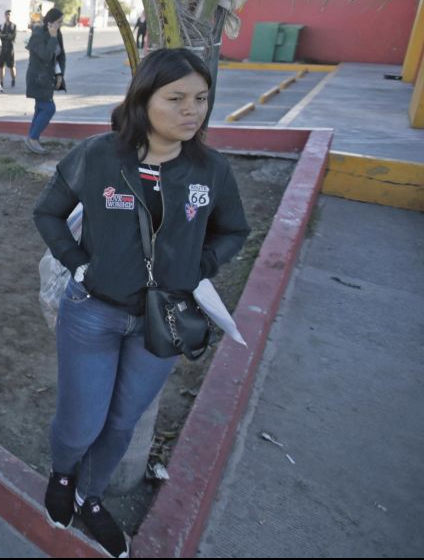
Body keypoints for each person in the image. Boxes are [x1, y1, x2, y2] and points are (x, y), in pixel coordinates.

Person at [32, 48, 250, 557]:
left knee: (122, 422)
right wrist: (77, 264)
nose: (192, 110)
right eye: (176, 98)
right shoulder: (99, 156)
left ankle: (88, 496)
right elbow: (48, 213)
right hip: (93, 314)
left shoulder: (210, 170)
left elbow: (234, 231)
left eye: (201, 98)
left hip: (163, 322)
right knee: (81, 422)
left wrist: (201, 265)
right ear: (143, 99)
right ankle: (62, 475)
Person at [24, 8, 68, 154]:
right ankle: (33, 138)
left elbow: (61, 56)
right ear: (50, 22)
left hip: (49, 78)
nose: (61, 25)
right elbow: (45, 56)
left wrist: (60, 75)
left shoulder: (57, 33)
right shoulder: (38, 34)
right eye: (59, 22)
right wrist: (53, 37)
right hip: (38, 78)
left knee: (40, 107)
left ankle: (32, 137)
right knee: (49, 108)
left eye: (61, 22)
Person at [0, 10, 18, 88]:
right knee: (1, 66)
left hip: (10, 49)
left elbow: (13, 36)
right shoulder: (1, 25)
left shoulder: (13, 26)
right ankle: (1, 82)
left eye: (9, 14)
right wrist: (6, 35)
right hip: (2, 49)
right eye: (6, 14)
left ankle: (13, 79)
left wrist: (4, 36)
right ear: (4, 15)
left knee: (11, 66)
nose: (8, 16)